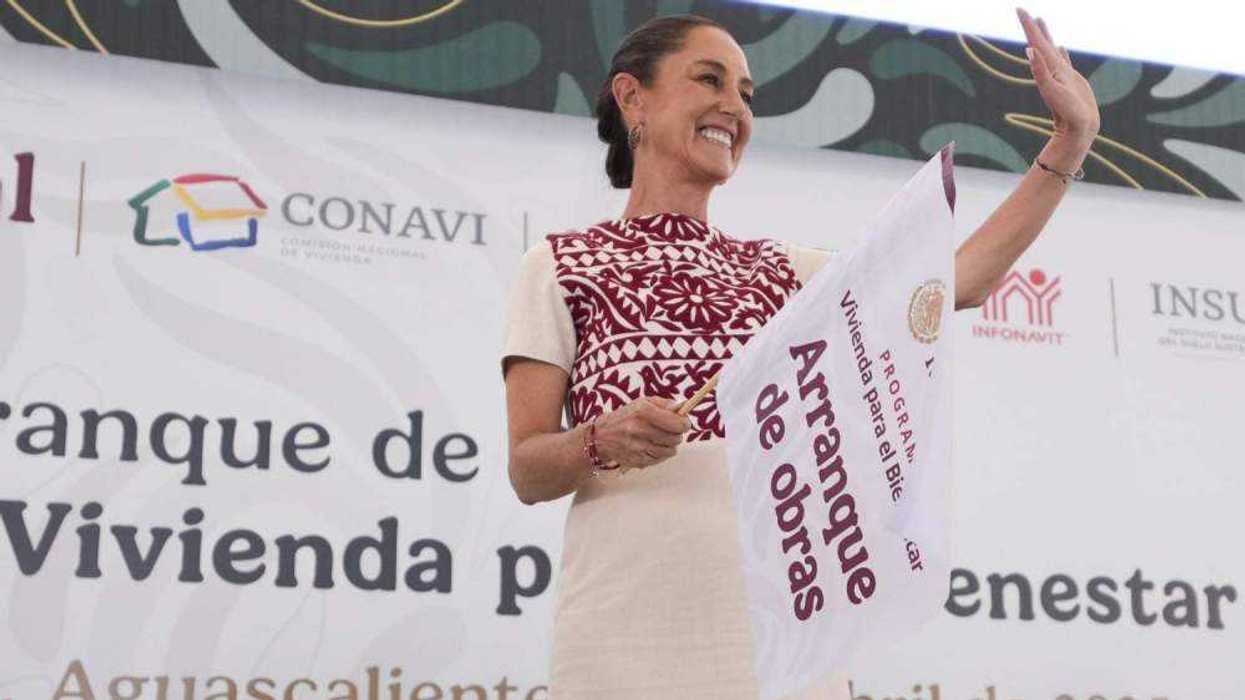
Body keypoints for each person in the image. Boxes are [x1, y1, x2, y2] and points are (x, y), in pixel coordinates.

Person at [501, 9, 1098, 699]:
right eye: (708, 79)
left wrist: (1069, 142)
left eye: (747, 94)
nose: (734, 106)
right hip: (624, 630)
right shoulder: (561, 264)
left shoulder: (788, 276)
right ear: (631, 95)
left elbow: (956, 282)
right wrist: (604, 439)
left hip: (783, 635)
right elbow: (527, 467)